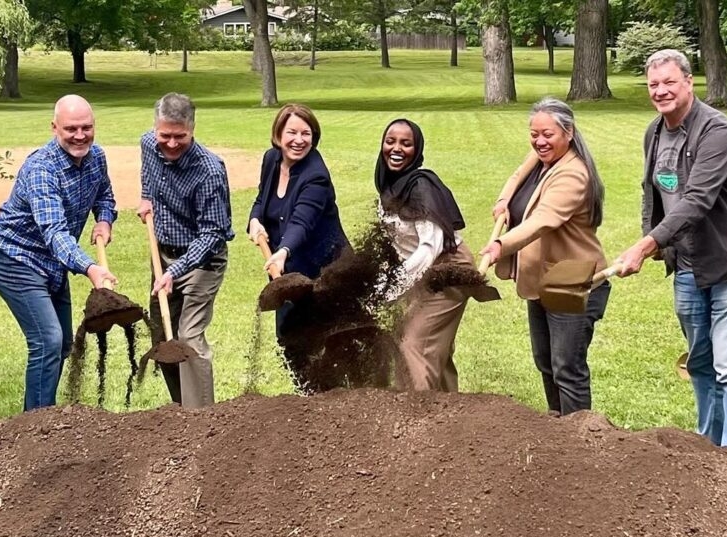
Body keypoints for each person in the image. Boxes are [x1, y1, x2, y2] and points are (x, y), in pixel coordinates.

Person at [615, 49, 727, 453]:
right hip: (686, 264)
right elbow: (653, 193)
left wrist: (647, 243)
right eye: (653, 85)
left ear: (689, 82)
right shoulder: (654, 132)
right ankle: (708, 450)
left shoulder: (717, 131)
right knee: (701, 362)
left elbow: (698, 199)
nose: (661, 91)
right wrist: (654, 242)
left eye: (669, 82)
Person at [0, 95, 118, 412]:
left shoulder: (96, 157)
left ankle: (44, 418)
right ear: (54, 127)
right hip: (13, 257)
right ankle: (37, 428)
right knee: (47, 340)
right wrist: (90, 268)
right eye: (71, 128)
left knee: (63, 344)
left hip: (51, 264)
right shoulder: (42, 169)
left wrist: (105, 220)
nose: (80, 135)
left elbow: (105, 196)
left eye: (86, 127)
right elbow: (55, 233)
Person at [480, 97, 610, 416]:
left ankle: (579, 438)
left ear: (568, 132)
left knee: (566, 367)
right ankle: (558, 430)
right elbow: (516, 176)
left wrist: (500, 245)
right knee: (545, 361)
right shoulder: (543, 157)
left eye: (547, 134)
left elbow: (543, 221)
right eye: (534, 133)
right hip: (543, 278)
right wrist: (503, 201)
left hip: (575, 279)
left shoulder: (573, 174)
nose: (539, 141)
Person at [138, 92, 233, 409]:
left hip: (202, 261)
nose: (172, 143)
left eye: (180, 136)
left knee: (188, 336)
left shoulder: (209, 171)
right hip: (162, 254)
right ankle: (182, 408)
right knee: (164, 340)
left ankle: (201, 418)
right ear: (155, 129)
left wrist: (174, 272)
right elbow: (148, 173)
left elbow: (212, 234)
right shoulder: (148, 145)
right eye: (165, 135)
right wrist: (146, 196)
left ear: (192, 130)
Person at [375, 118, 476, 392]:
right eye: (390, 141)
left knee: (415, 344)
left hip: (447, 271)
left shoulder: (421, 188)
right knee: (435, 347)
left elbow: (429, 248)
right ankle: (449, 414)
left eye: (406, 144)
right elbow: (395, 246)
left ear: (416, 149)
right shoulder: (391, 185)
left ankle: (418, 418)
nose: (396, 148)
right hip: (421, 271)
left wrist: (394, 289)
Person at [247, 103, 350, 336]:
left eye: (306, 134)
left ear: (314, 138)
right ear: (278, 134)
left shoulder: (316, 175)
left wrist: (282, 251)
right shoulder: (271, 159)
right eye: (292, 132)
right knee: (289, 338)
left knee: (323, 343)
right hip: (287, 273)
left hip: (323, 272)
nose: (299, 140)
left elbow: (301, 222)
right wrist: (255, 219)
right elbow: (262, 200)